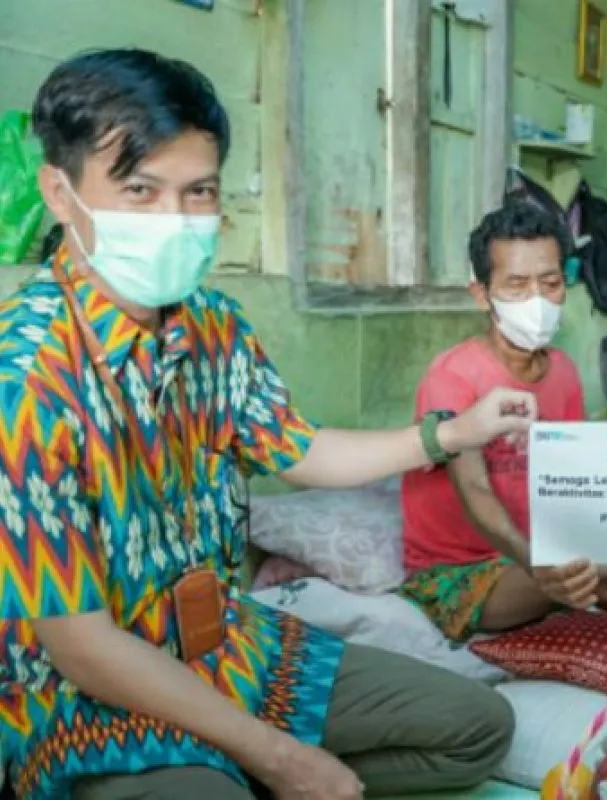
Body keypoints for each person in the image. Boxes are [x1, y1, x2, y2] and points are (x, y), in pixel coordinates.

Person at [1, 48, 533, 800]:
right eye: (140, 190)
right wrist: (281, 758)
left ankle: (240, 768)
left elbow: (299, 448)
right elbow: (81, 646)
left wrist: (448, 434)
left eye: (199, 192)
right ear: (61, 193)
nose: (175, 220)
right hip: (86, 697)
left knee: (477, 726)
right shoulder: (23, 379)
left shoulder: (212, 323)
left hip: (229, 649)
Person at [399, 201, 597, 641]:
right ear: (481, 294)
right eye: (516, 285)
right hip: (458, 576)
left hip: (533, 558)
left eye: (550, 283)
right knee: (597, 575)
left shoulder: (563, 372)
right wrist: (540, 565)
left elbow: (574, 478)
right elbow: (474, 488)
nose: (537, 301)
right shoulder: (452, 377)